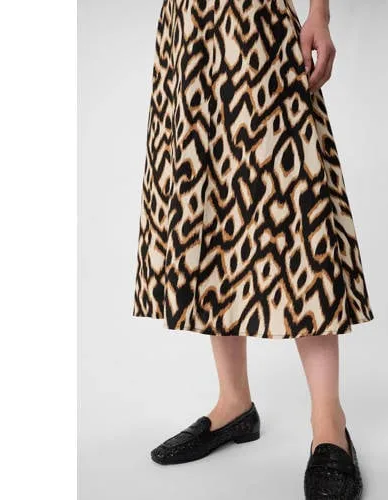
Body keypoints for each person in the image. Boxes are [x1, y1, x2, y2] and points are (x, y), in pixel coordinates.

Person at [133, 0, 373, 498]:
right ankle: (234, 404)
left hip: (259, 25)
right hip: (186, 33)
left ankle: (329, 425)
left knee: (299, 215)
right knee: (209, 209)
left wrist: (319, 14)